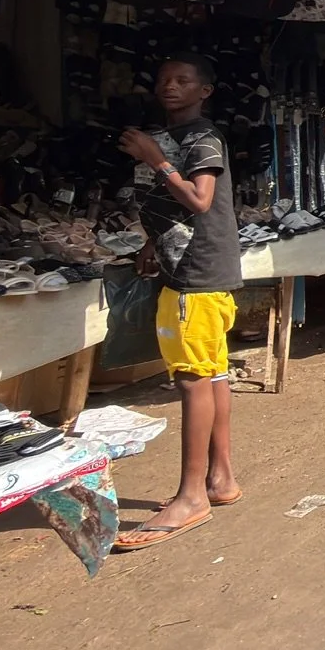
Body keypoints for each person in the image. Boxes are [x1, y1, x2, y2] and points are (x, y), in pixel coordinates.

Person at [113, 54, 244, 551]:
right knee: (212, 373)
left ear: (204, 91)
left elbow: (199, 200)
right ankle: (220, 478)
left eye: (183, 80)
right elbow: (176, 209)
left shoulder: (202, 139)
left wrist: (154, 158)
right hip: (196, 266)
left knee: (192, 379)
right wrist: (154, 242)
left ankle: (190, 497)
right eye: (164, 78)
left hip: (197, 276)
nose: (170, 86)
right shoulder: (181, 136)